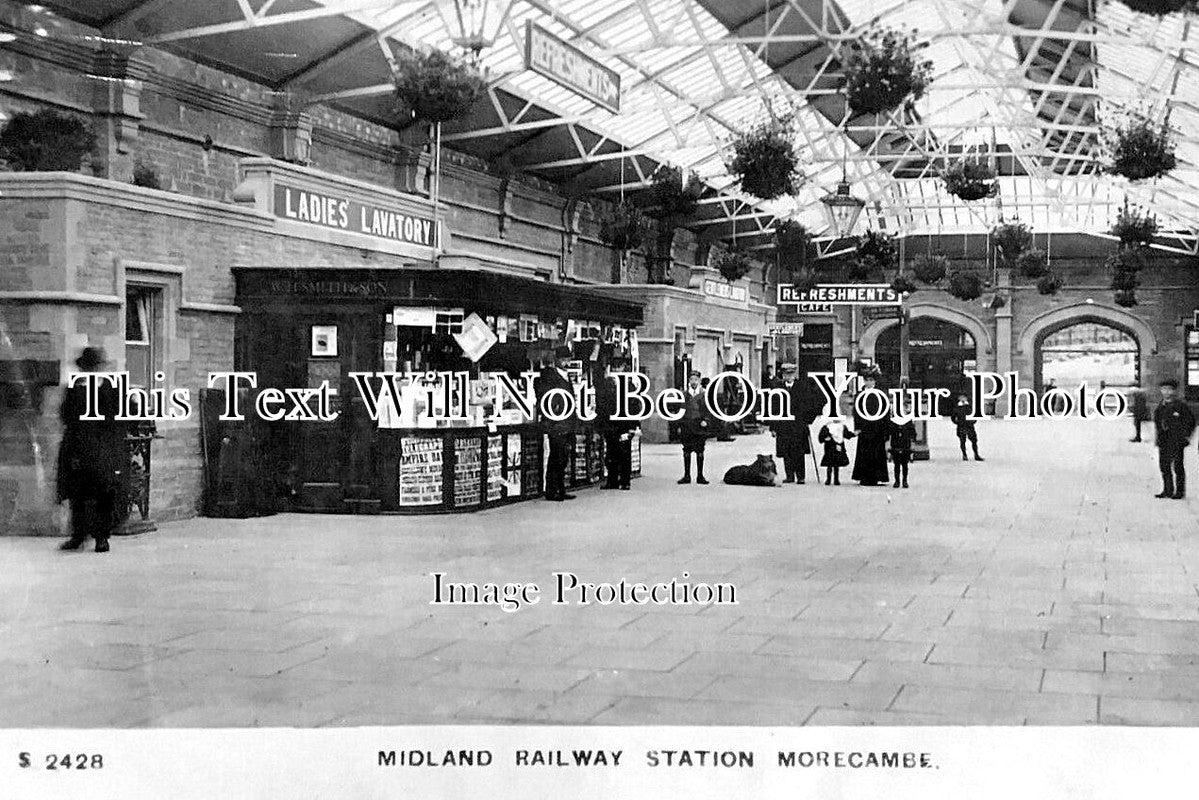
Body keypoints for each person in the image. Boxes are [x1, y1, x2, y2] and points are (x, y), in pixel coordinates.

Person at [57, 347, 127, 552]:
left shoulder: (111, 388)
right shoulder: (75, 388)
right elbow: (66, 415)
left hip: (104, 448)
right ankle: (78, 535)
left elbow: (126, 413)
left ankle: (101, 537)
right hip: (78, 446)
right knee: (78, 493)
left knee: (104, 493)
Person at [535, 346, 577, 502]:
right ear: (557, 360)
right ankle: (552, 490)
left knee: (564, 457)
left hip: (567, 423)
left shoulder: (566, 376)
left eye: (568, 359)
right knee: (556, 457)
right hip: (557, 424)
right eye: (564, 360)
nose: (567, 363)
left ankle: (561, 488)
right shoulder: (550, 376)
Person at [770, 363, 819, 484]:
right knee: (786, 451)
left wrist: (808, 420)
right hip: (783, 426)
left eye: (791, 374)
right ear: (783, 374)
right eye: (786, 374)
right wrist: (773, 427)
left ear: (794, 374)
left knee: (799, 451)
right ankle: (789, 476)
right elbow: (773, 408)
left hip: (799, 425)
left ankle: (801, 476)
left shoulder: (802, 387)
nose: (789, 376)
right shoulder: (777, 388)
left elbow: (811, 405)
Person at [595, 357, 636, 491]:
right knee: (611, 453)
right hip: (611, 424)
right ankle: (612, 480)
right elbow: (601, 405)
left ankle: (625, 481)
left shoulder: (630, 386)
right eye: (614, 367)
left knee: (624, 453)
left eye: (619, 367)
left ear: (624, 368)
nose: (617, 370)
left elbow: (635, 407)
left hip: (624, 424)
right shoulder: (606, 384)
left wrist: (634, 427)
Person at [1153, 378, 1195, 499]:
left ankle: (1179, 492)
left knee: (1178, 467)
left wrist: (1185, 436)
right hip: (1163, 441)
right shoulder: (1160, 406)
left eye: (1169, 389)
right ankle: (1167, 490)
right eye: (1164, 389)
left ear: (1174, 391)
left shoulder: (1180, 406)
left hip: (1176, 441)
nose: (1166, 392)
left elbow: (1190, 421)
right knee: (1164, 466)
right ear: (1161, 390)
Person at [851, 373, 890, 486]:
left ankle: (877, 477)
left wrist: (886, 430)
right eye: (867, 380)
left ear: (874, 382)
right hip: (865, 429)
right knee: (864, 453)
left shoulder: (881, 395)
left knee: (877, 453)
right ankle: (864, 477)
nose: (869, 382)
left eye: (871, 380)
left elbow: (886, 412)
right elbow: (856, 413)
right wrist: (857, 428)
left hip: (878, 429)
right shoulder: (860, 395)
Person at [678, 370, 712, 485]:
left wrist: (706, 421)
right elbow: (680, 410)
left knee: (700, 451)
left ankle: (700, 475)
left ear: (699, 381)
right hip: (687, 425)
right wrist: (680, 424)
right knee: (686, 451)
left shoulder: (704, 394)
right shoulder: (684, 394)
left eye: (695, 380)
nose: (693, 382)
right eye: (691, 379)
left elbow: (709, 410)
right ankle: (687, 475)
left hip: (699, 425)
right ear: (689, 381)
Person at [817, 417, 854, 486]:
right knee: (830, 464)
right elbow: (821, 438)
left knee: (836, 464)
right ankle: (828, 479)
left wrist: (853, 434)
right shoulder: (827, 427)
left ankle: (836, 479)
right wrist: (825, 439)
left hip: (839, 447)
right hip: (830, 448)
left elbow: (847, 435)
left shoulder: (842, 426)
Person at [950, 393, 984, 462]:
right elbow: (953, 417)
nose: (963, 398)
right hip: (961, 426)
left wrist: (973, 421)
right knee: (963, 441)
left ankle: (976, 454)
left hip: (969, 426)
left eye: (964, 397)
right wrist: (958, 423)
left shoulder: (969, 406)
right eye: (961, 397)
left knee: (974, 440)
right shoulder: (957, 407)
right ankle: (964, 454)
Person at [888, 415, 918, 489]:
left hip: (905, 445)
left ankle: (904, 480)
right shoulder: (893, 422)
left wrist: (912, 444)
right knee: (897, 464)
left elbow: (913, 433)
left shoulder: (908, 421)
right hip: (896, 445)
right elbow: (889, 432)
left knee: (905, 464)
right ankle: (897, 480)